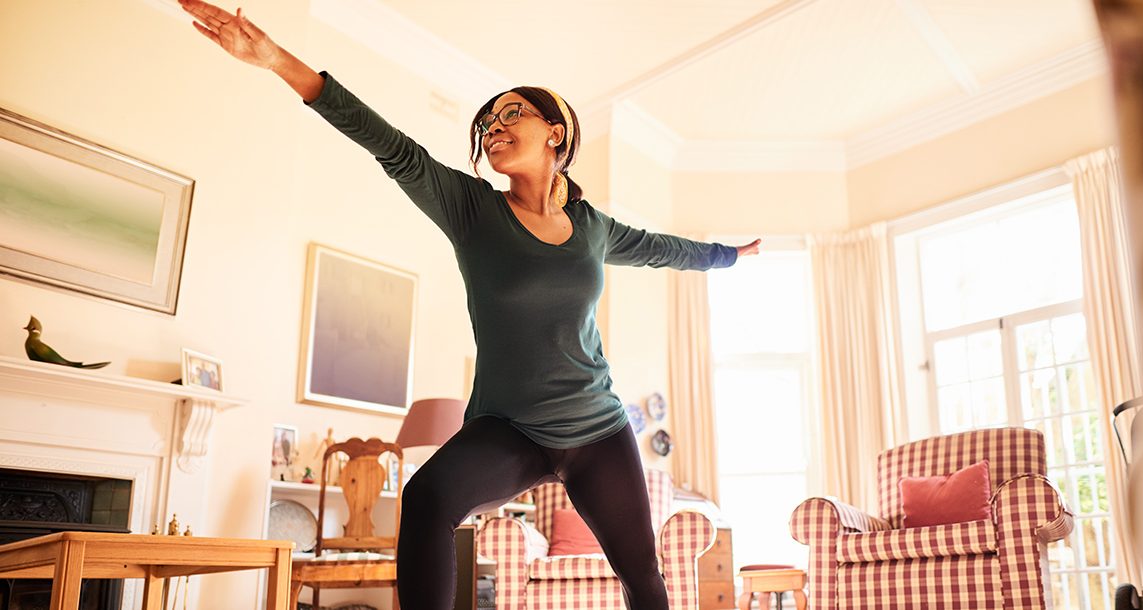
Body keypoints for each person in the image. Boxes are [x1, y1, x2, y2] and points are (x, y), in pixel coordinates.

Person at [178, 2, 761, 608]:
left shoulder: (592, 226)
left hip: (598, 429)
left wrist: (729, 256)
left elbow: (662, 248)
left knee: (643, 574)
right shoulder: (472, 209)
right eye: (486, 123)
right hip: (511, 429)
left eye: (511, 114)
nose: (492, 127)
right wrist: (276, 60)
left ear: (556, 132)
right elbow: (388, 143)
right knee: (427, 497)